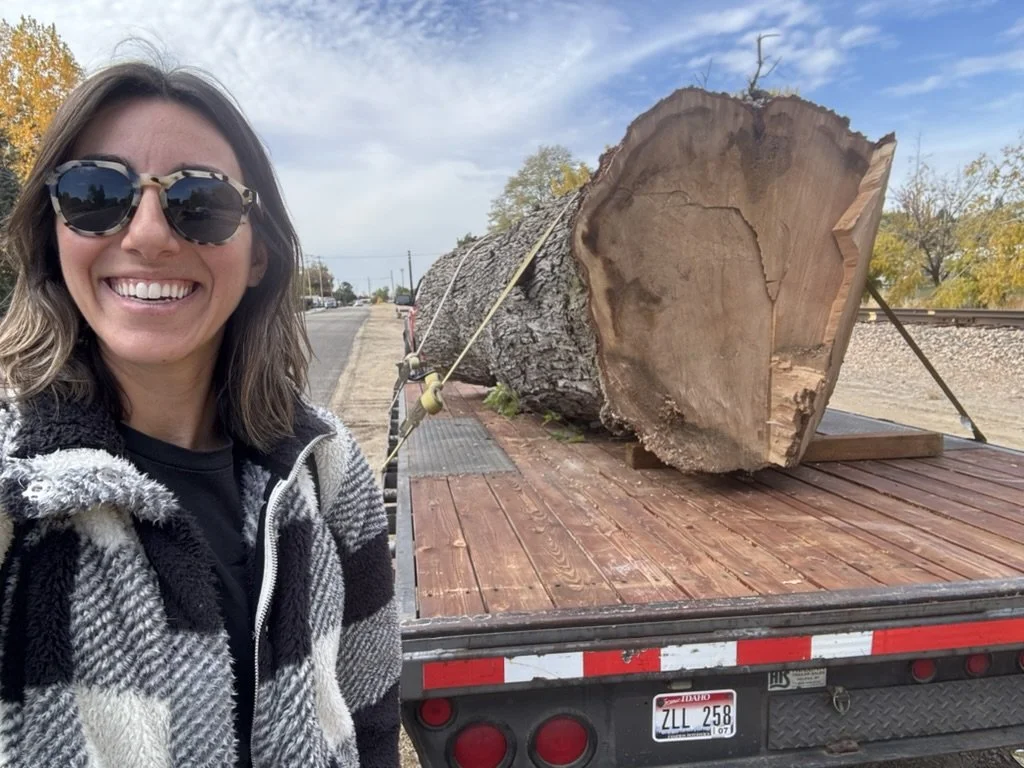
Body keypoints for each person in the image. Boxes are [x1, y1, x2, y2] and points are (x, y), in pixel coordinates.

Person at [0, 61, 401, 767]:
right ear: (51, 235)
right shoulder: (14, 492)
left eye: (201, 201)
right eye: (96, 193)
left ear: (258, 256)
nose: (150, 234)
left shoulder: (327, 468)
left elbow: (372, 717)